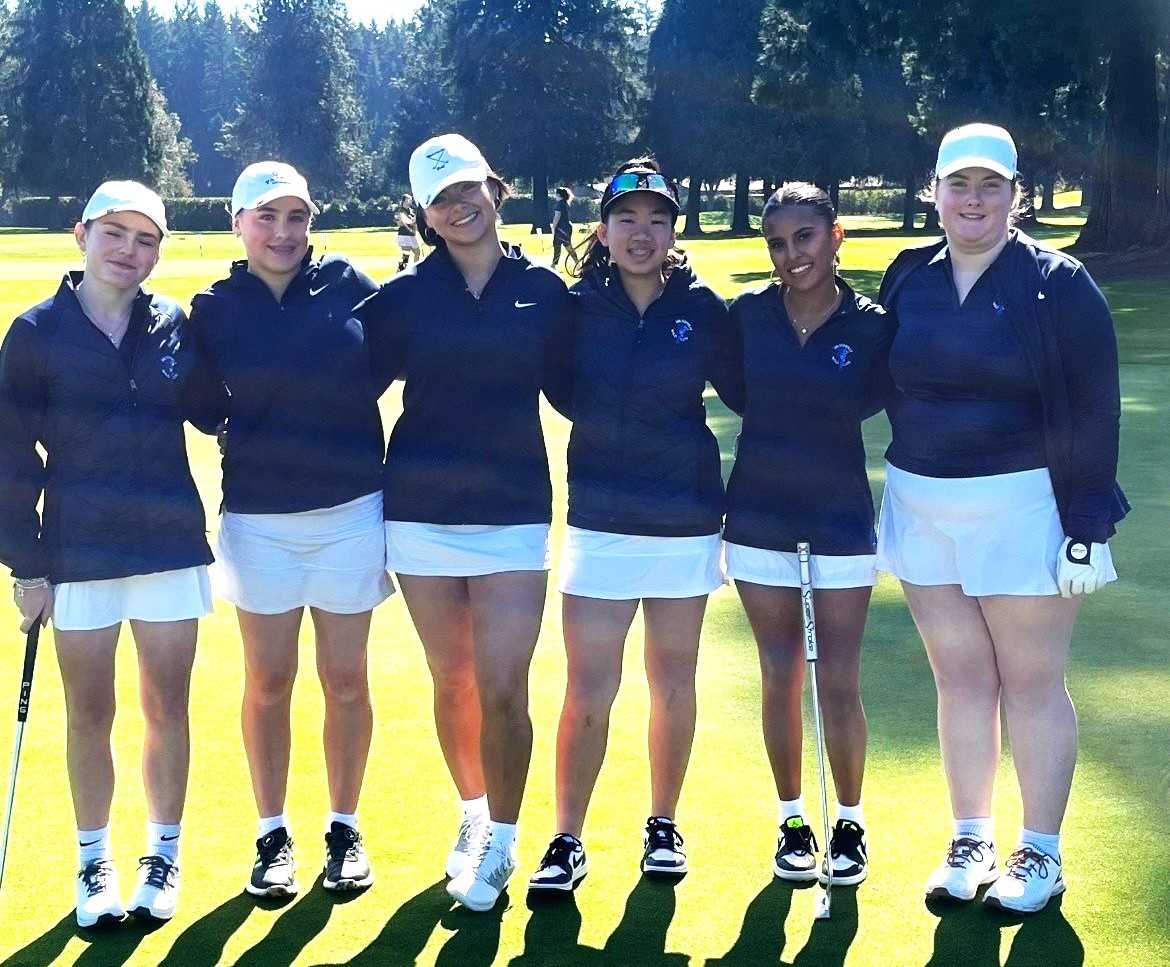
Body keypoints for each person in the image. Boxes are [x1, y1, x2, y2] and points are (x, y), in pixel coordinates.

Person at [876, 124, 1128, 914]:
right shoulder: (908, 275)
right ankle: (971, 838)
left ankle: (1041, 853)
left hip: (1022, 505)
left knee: (1030, 681)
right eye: (959, 185)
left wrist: (1087, 520)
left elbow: (1094, 407)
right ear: (936, 192)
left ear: (1015, 194)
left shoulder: (1059, 282)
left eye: (991, 186)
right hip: (920, 501)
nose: (973, 200)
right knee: (959, 679)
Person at [353, 133, 572, 913]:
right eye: (443, 198)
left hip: (513, 511)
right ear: (425, 213)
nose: (461, 205)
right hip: (421, 512)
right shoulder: (403, 298)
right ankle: (474, 816)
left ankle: (505, 842)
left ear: (496, 187)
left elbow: (585, 390)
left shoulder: (545, 290)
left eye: (470, 188)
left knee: (505, 684)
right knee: (453, 678)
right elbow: (342, 388)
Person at [0, 182, 225, 926]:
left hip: (167, 545)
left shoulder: (173, 326)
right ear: (82, 235)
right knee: (90, 711)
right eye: (116, 234)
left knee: (168, 705)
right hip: (78, 549)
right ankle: (93, 860)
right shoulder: (34, 334)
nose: (130, 251)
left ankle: (162, 854)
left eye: (147, 239)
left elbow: (216, 408)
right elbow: (10, 459)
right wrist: (25, 564)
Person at [527, 159, 736, 895]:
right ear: (604, 229)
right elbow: (559, 388)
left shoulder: (704, 306)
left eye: (656, 219)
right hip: (601, 519)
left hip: (684, 517)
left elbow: (745, 389)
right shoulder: (576, 307)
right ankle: (567, 839)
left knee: (672, 677)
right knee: (588, 686)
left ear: (673, 228)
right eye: (627, 219)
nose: (641, 233)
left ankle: (663, 824)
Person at [188, 161, 393, 899]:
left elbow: (390, 365)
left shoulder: (352, 287)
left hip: (350, 513)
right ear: (237, 223)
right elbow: (201, 398)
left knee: (345, 679)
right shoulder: (212, 307)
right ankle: (272, 832)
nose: (283, 232)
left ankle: (344, 826)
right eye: (266, 217)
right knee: (269, 680)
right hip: (258, 520)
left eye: (296, 217)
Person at [721, 183, 894, 890]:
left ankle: (848, 820)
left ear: (836, 235)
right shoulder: (747, 318)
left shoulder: (874, 326)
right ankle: (793, 818)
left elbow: (881, 398)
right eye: (778, 243)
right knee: (779, 670)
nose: (793, 255)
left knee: (839, 677)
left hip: (840, 519)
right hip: (759, 516)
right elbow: (737, 392)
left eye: (806, 237)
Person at [550, 186, 577, 271]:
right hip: (567, 227)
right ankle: (577, 263)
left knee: (560, 246)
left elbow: (557, 217)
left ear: (558, 194)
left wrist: (553, 227)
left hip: (561, 228)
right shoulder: (565, 203)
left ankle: (554, 265)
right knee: (566, 246)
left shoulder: (559, 204)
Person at [396, 194, 421, 272]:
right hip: (404, 235)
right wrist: (411, 221)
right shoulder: (401, 211)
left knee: (417, 252)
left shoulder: (411, 210)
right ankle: (400, 272)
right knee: (406, 255)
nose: (410, 201)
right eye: (408, 199)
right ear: (404, 201)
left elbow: (414, 223)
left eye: (411, 199)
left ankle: (415, 270)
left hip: (411, 235)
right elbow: (400, 223)